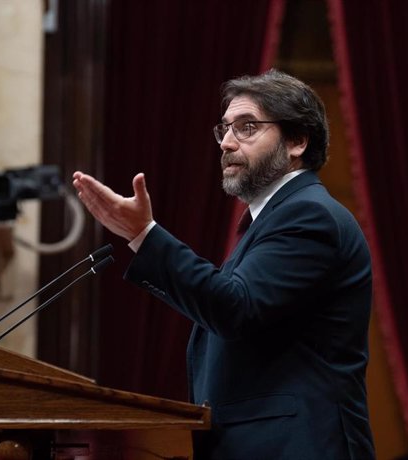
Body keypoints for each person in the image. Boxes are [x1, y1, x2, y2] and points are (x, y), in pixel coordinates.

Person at [72, 69, 375, 459]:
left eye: (247, 127)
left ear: (298, 141)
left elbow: (233, 308)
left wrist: (145, 236)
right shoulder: (267, 222)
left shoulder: (308, 215)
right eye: (225, 129)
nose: (228, 143)